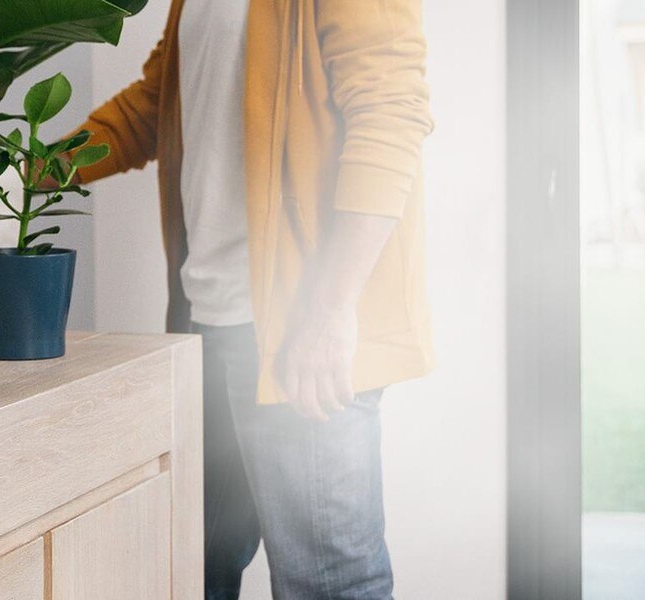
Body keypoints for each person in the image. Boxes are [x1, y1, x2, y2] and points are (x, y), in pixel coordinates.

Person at [74, 0, 434, 597]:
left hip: (296, 331)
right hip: (205, 323)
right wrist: (23, 171)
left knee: (329, 581)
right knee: (194, 565)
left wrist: (331, 309)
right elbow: (155, 106)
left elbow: (390, 115)